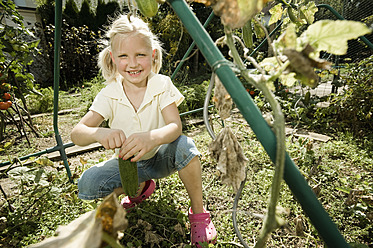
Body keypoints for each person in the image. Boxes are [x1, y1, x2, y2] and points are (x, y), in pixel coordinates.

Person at [70, 14, 217, 247]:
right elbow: (77, 133)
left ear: (153, 55)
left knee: (186, 147)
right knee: (88, 183)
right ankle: (140, 187)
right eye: (124, 56)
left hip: (161, 157)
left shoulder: (161, 84)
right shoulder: (109, 94)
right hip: (129, 164)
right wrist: (100, 133)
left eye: (140, 54)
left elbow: (175, 126)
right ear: (112, 58)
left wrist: (151, 138)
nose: (133, 63)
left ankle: (198, 214)